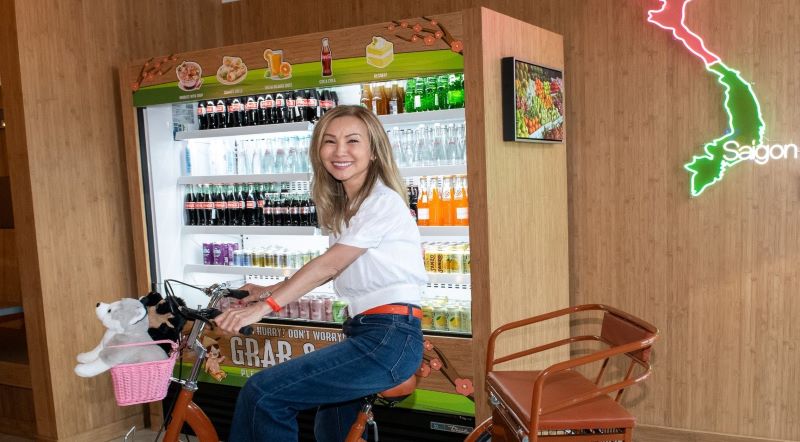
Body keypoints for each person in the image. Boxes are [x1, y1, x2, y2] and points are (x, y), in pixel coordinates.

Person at [215, 105, 427, 442]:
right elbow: (333, 266)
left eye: (352, 141)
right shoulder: (348, 209)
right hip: (368, 333)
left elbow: (328, 265)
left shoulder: (381, 202)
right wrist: (269, 288)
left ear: (373, 151)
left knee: (263, 395)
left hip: (388, 337)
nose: (339, 151)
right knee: (331, 431)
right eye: (329, 141)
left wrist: (266, 305)